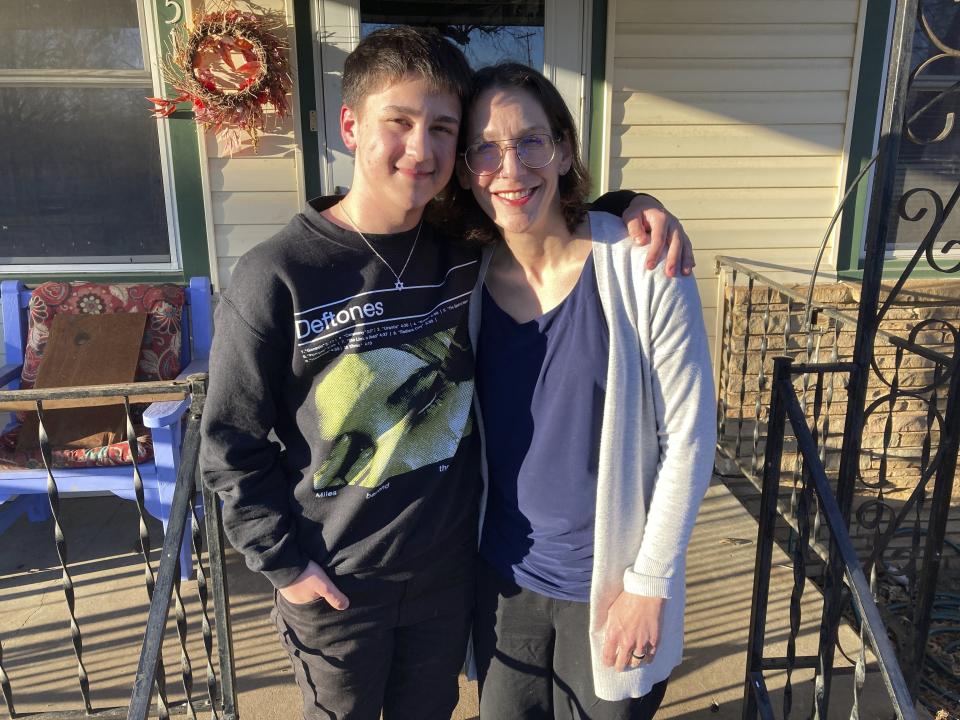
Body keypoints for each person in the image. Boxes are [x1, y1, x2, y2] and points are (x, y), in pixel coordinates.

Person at [200, 27, 693, 720]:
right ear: (350, 127)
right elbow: (229, 446)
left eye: (441, 129)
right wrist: (285, 567)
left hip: (447, 578)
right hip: (338, 583)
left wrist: (634, 205)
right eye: (397, 124)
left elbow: (543, 205)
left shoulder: (462, 250)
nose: (420, 148)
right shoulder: (277, 275)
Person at [455, 63, 716, 719]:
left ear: (565, 149)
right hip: (503, 583)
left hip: (609, 586)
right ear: (464, 171)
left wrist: (648, 585)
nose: (510, 168)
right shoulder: (465, 279)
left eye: (530, 142)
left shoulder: (641, 262)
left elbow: (688, 437)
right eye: (486, 148)